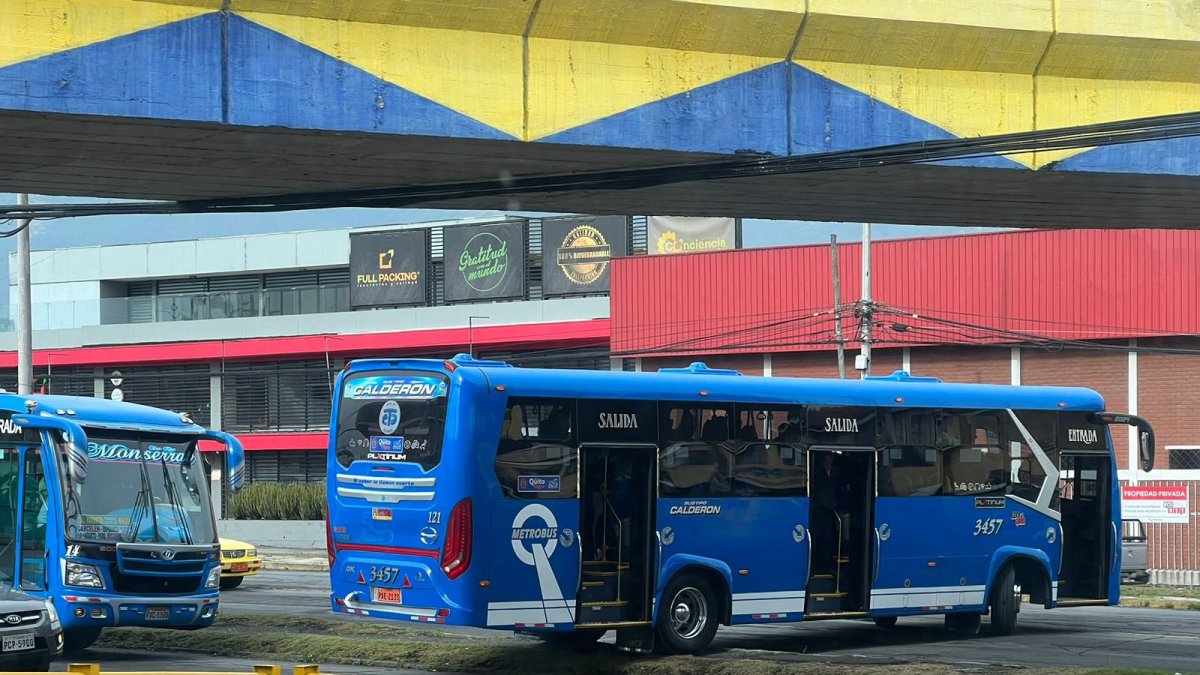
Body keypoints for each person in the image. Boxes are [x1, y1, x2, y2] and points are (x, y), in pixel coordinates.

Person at [810, 453, 840, 575]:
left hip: (829, 511)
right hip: (817, 511)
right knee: (815, 539)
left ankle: (825, 566)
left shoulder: (833, 472)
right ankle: (813, 567)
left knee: (827, 540)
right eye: (829, 457)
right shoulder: (816, 472)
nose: (831, 460)